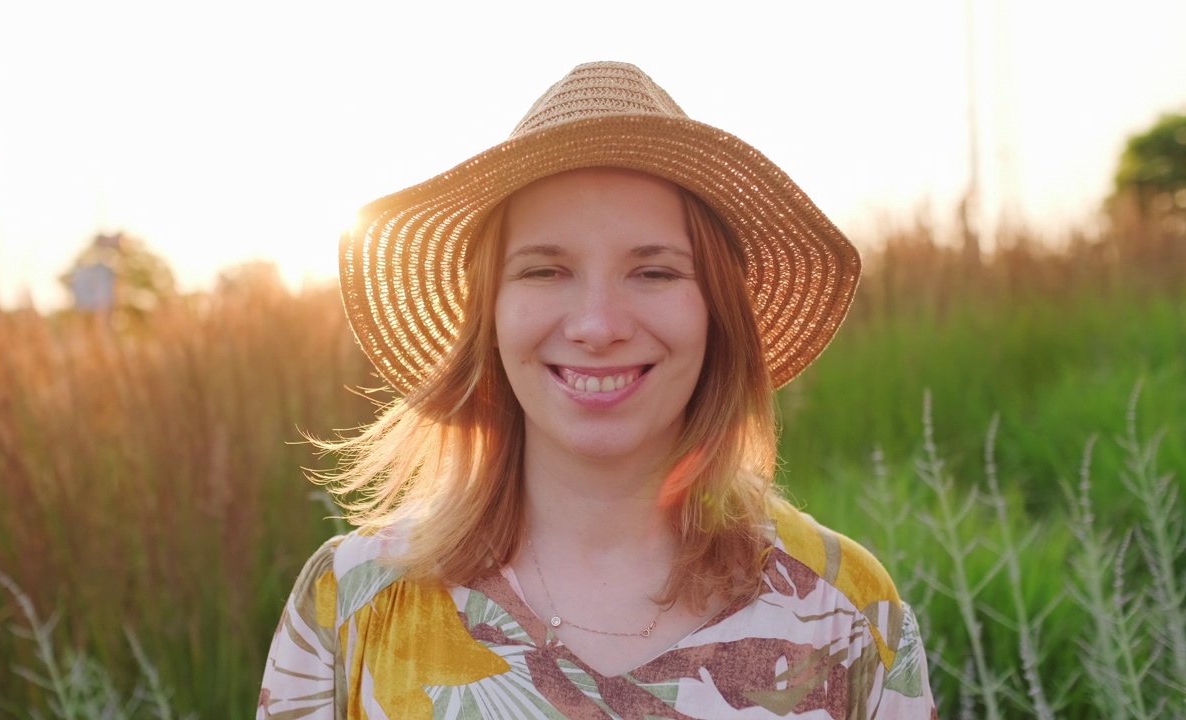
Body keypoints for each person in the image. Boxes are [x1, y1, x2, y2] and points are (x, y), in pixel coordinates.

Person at [258, 61, 936, 719]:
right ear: (488, 315)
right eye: (546, 270)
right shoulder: (353, 603)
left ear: (717, 312)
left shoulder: (847, 612)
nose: (597, 326)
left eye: (655, 273)